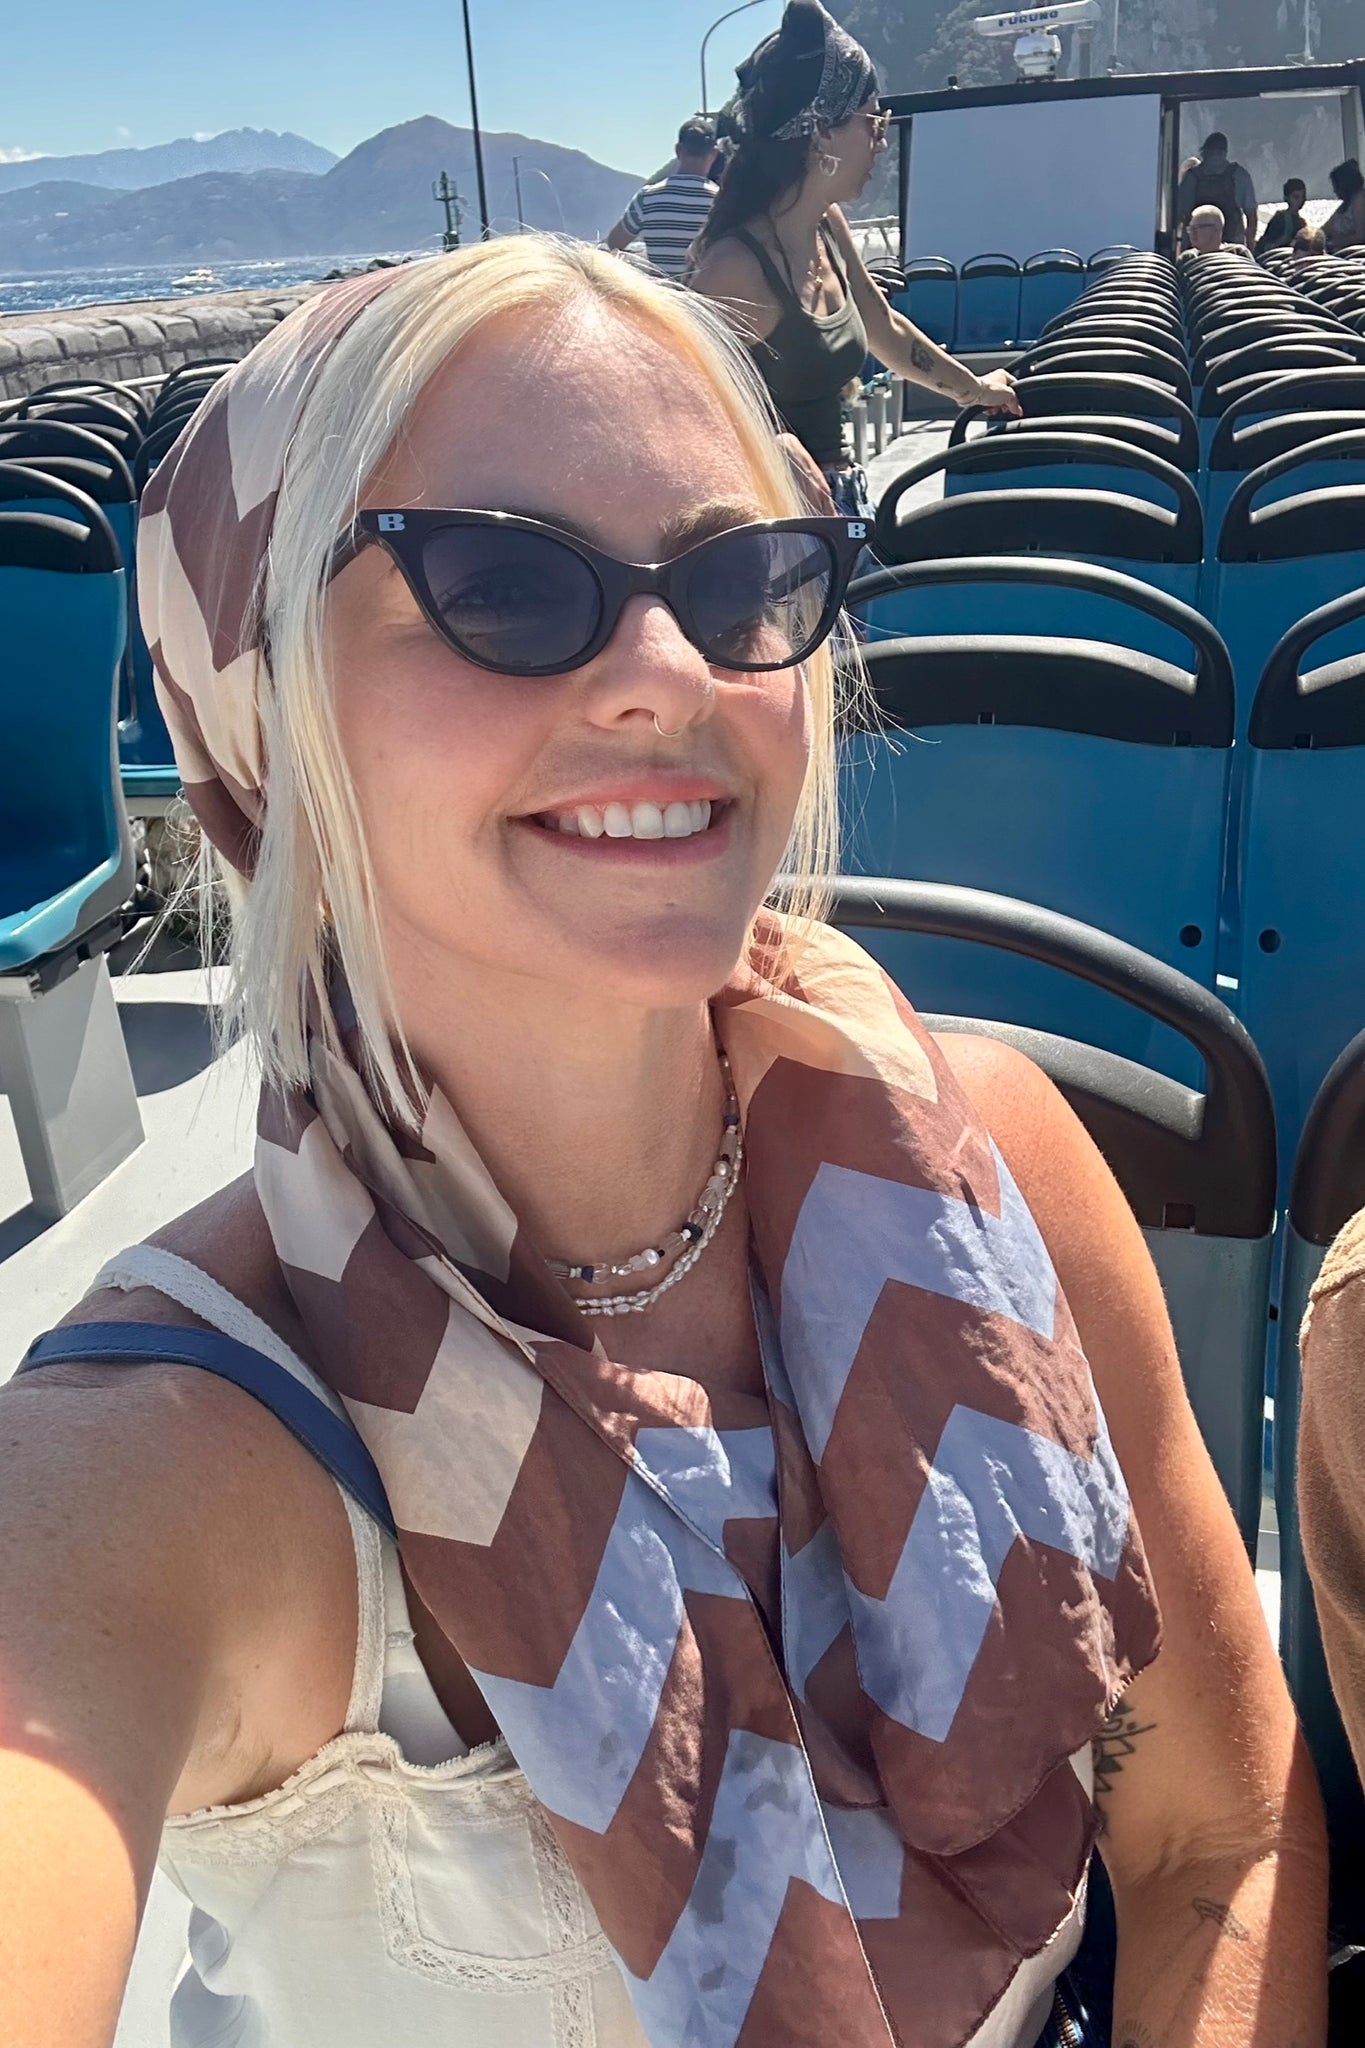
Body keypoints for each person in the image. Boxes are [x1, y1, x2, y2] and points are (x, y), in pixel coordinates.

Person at [0, 237, 1326, 2048]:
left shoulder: (999, 1165)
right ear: (260, 710)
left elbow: (1214, 1838)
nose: (663, 669)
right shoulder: (158, 1464)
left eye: (736, 577)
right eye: (497, 581)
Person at [690, 0, 1018, 518]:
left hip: (841, 505)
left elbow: (885, 329)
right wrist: (778, 456)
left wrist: (976, 391)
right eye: (873, 122)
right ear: (821, 132)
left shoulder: (827, 223)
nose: (880, 143)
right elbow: (685, 424)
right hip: (777, 532)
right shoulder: (735, 269)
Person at [606, 118, 719, 281]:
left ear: (678, 150)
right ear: (714, 154)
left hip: (660, 296)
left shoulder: (648, 197)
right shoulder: (719, 202)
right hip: (703, 296)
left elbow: (614, 242)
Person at [1177, 132, 1257, 246]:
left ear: (1204, 151)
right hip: (1232, 246)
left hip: (1197, 247)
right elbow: (1251, 216)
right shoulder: (1239, 175)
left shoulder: (1191, 177)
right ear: (1225, 151)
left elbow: (1180, 214)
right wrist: (1250, 247)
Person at [1256, 177, 1308, 254]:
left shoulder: (1301, 222)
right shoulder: (1280, 218)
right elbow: (1266, 244)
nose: (1301, 200)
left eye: (1303, 197)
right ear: (1286, 198)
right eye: (1296, 197)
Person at [1325, 158, 1365, 254]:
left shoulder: (1360, 199)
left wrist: (1333, 243)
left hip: (1354, 254)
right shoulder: (1346, 205)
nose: (1335, 190)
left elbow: (1361, 236)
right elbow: (1326, 228)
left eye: (1336, 185)